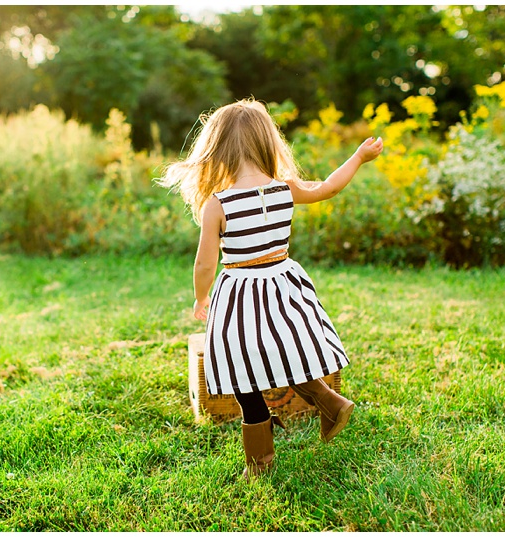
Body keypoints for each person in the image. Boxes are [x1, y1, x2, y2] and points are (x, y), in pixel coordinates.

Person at [160, 98, 383, 479]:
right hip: (283, 286)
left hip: (240, 291)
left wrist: (201, 296)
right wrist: (358, 158)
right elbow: (328, 187)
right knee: (286, 351)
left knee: (241, 366)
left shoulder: (219, 204)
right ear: (267, 143)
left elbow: (204, 263)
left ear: (215, 150)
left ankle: (260, 462)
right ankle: (328, 401)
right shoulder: (284, 188)